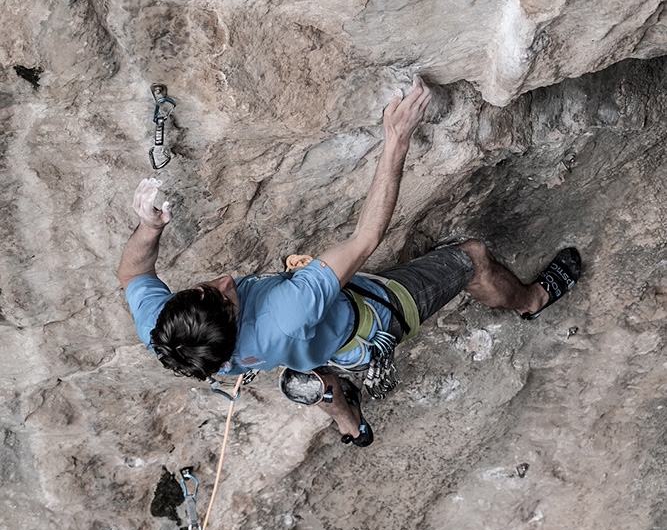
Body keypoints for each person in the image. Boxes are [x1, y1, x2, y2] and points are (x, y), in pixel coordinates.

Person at [118, 76, 581, 447]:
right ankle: (530, 300)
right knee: (473, 258)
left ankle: (350, 425)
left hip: (307, 351)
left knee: (308, 377)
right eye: (225, 295)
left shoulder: (169, 335)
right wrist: (396, 140)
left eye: (205, 286)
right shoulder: (289, 309)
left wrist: (151, 228)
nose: (223, 280)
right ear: (234, 320)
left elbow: (134, 272)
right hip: (368, 320)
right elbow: (366, 238)